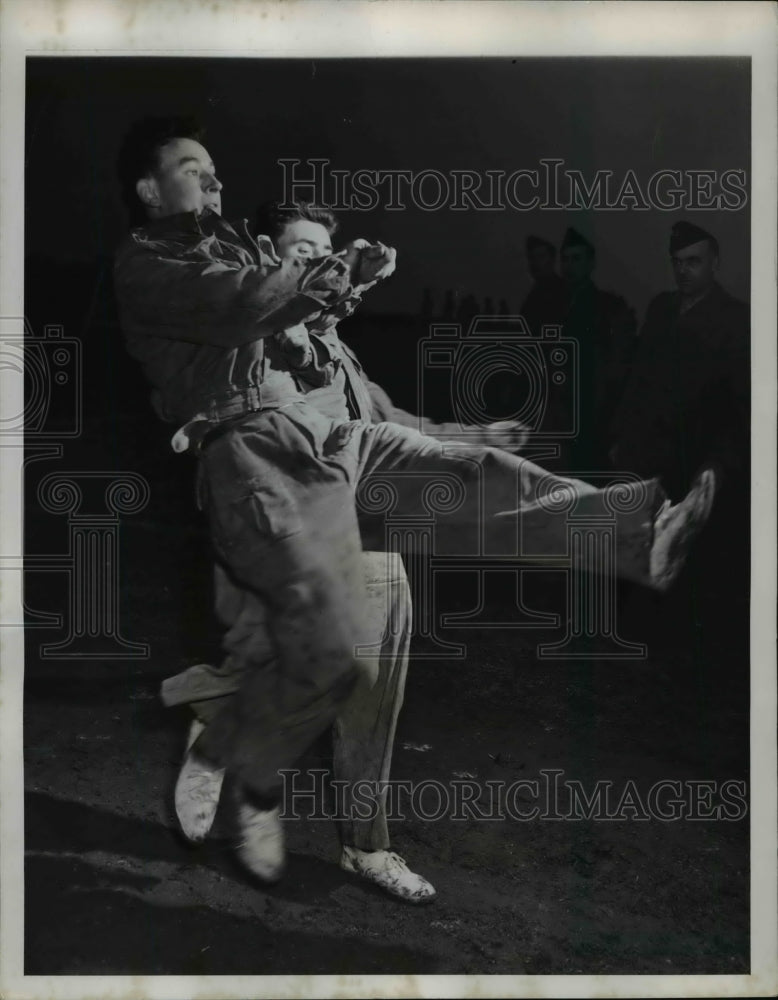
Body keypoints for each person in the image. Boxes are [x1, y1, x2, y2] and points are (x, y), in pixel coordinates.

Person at [113, 117, 716, 896]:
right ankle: (224, 733)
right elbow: (237, 309)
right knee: (333, 664)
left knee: (471, 483)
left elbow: (395, 421)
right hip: (281, 471)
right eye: (194, 169)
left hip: (349, 469)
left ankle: (639, 531)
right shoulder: (155, 264)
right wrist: (324, 283)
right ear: (147, 188)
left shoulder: (318, 335)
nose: (214, 181)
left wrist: (464, 426)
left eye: (216, 170)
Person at [610, 221, 749, 502]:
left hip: (694, 462)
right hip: (643, 457)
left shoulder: (736, 319)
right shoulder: (661, 307)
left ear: (715, 263)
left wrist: (718, 464)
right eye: (677, 262)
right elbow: (637, 378)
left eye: (693, 261)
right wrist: (619, 438)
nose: (682, 271)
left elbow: (739, 407)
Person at [558, 227, 637, 473]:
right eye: (566, 260)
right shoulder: (554, 305)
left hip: (597, 416)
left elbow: (620, 368)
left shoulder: (609, 307)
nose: (570, 266)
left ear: (591, 263)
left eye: (577, 259)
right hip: (562, 415)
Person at [519, 235, 568, 338]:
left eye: (541, 257)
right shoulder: (536, 291)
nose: (535, 263)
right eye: (532, 258)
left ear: (552, 260)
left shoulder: (560, 290)